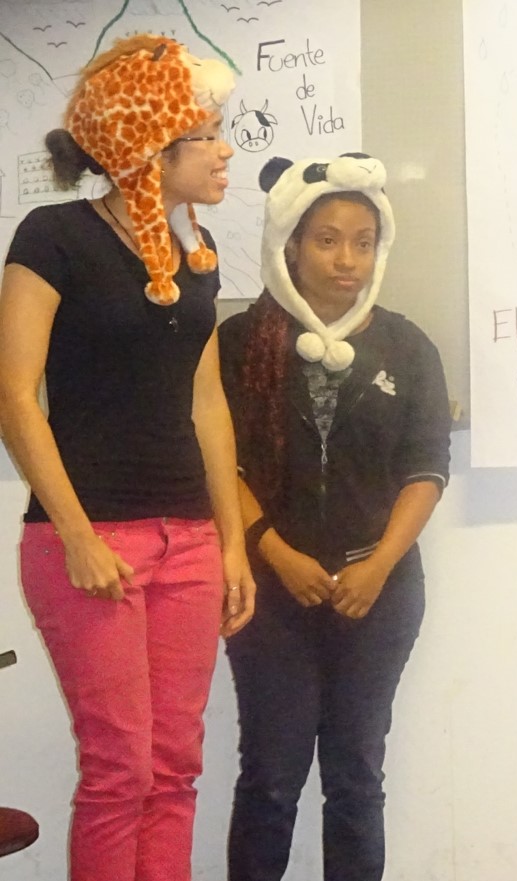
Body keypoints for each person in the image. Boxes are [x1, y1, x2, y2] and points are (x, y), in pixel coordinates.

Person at [0, 35, 251, 881]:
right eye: (207, 136)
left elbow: (207, 405)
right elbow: (13, 396)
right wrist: (74, 534)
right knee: (120, 772)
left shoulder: (195, 254)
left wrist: (231, 543)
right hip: (91, 539)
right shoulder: (54, 236)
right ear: (150, 146)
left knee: (174, 768)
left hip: (189, 542)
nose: (224, 151)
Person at [219, 152, 451, 881]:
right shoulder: (238, 344)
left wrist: (377, 565)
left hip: (377, 591)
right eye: (327, 240)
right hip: (267, 592)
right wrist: (277, 553)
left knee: (355, 775)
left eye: (363, 242)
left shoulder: (407, 346)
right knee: (270, 776)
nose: (347, 259)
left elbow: (427, 469)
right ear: (291, 245)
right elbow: (222, 467)